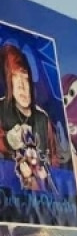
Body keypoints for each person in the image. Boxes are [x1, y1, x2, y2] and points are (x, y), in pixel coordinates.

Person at [0, 43, 62, 183]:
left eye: (25, 77)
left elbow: (55, 163)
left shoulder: (43, 119)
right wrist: (8, 141)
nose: (21, 86)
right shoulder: (1, 110)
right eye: (15, 77)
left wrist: (45, 175)